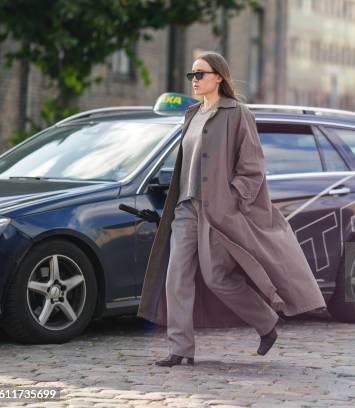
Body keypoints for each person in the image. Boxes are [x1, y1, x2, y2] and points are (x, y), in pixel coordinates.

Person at [137, 51, 326, 367]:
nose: (194, 80)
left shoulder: (238, 114)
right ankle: (180, 348)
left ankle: (266, 322)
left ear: (219, 77)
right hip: (185, 207)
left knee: (216, 277)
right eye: (192, 75)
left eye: (200, 74)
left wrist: (233, 198)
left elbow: (253, 167)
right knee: (176, 277)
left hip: (218, 210)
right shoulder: (192, 115)